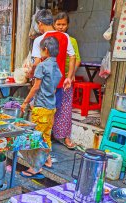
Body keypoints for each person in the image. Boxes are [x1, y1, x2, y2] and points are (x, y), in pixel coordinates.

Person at [27, 9, 76, 167]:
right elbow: (72, 56)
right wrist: (69, 76)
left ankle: (39, 159)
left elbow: (36, 62)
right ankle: (47, 155)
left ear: (40, 23)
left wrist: (30, 72)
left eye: (38, 25)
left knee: (40, 122)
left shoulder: (40, 41)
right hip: (59, 83)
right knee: (51, 117)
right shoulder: (65, 36)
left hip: (42, 86)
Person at [21, 37, 62, 178]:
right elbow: (54, 89)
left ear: (45, 50)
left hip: (41, 107)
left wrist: (26, 102)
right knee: (46, 135)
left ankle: (36, 167)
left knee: (37, 138)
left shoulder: (42, 66)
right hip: (51, 106)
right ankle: (47, 160)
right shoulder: (57, 67)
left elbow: (36, 87)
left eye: (40, 50)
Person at [52, 12, 81, 150]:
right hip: (52, 79)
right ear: (53, 24)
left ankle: (65, 136)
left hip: (66, 80)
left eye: (63, 24)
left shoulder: (72, 40)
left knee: (65, 108)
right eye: (58, 24)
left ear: (67, 25)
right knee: (51, 106)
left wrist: (71, 75)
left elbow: (77, 59)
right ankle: (50, 134)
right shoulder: (51, 39)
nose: (61, 27)